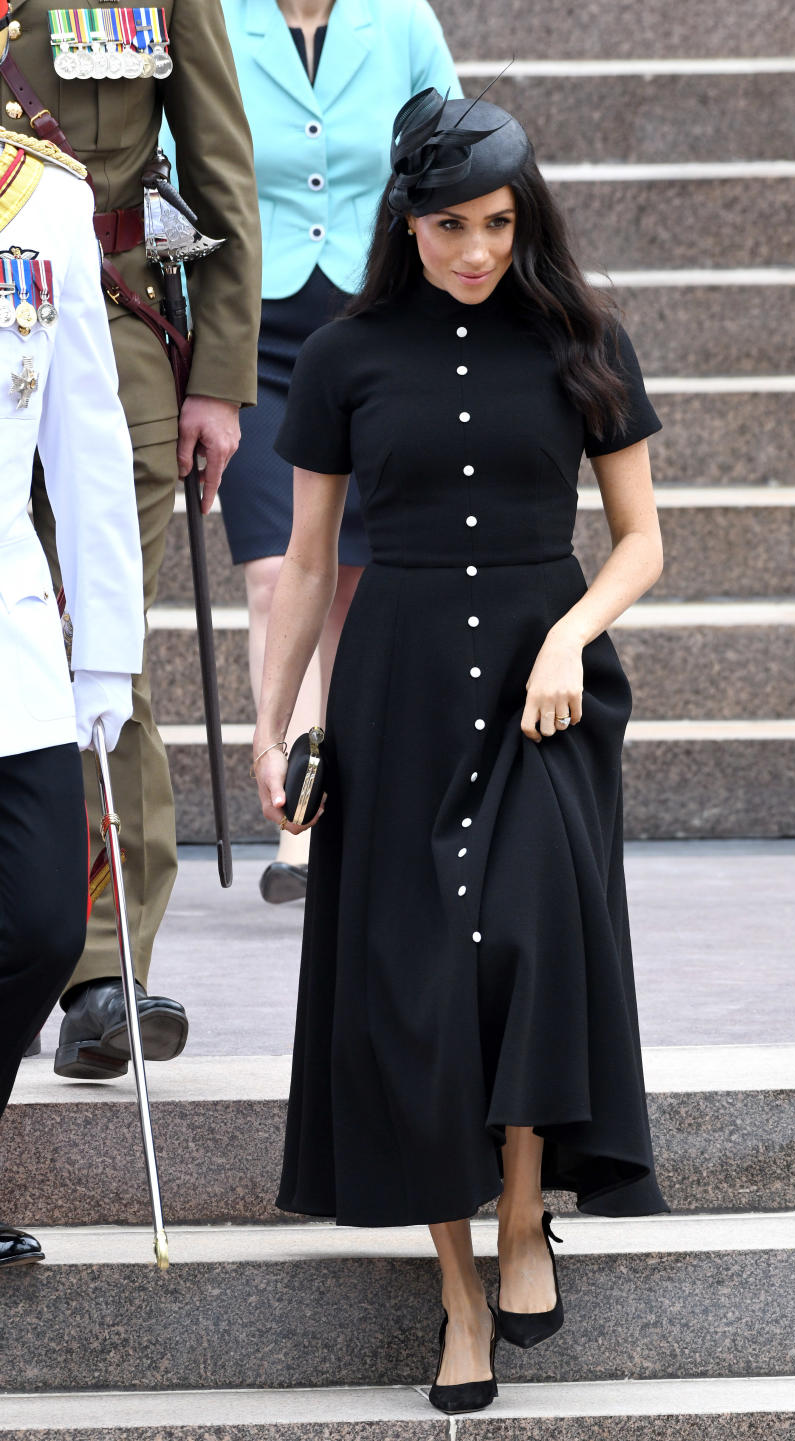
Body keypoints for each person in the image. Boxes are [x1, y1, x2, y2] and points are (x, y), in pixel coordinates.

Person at [252, 89, 668, 1414]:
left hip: (549, 690)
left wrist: (572, 633)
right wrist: (276, 725)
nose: (476, 250)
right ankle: (455, 1290)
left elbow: (645, 541)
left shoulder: (587, 340)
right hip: (401, 691)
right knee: (418, 979)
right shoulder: (343, 356)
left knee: (535, 933)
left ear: (522, 216)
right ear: (407, 225)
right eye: (449, 227)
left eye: (495, 222)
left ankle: (527, 1211)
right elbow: (311, 562)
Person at [0, 0, 261, 1078]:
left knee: (106, 649)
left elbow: (217, 159)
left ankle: (104, 966)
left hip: (112, 321)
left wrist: (222, 379)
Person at [218, 0, 460, 904]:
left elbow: (456, 153)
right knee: (279, 572)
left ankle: (363, 802)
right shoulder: (216, 17)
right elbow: (176, 157)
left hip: (377, 325)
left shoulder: (398, 19)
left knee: (355, 581)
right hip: (253, 332)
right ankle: (299, 817)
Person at [0, 108, 144, 1263]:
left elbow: (87, 437)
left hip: (10, 628)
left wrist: (107, 647)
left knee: (46, 923)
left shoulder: (41, 195)